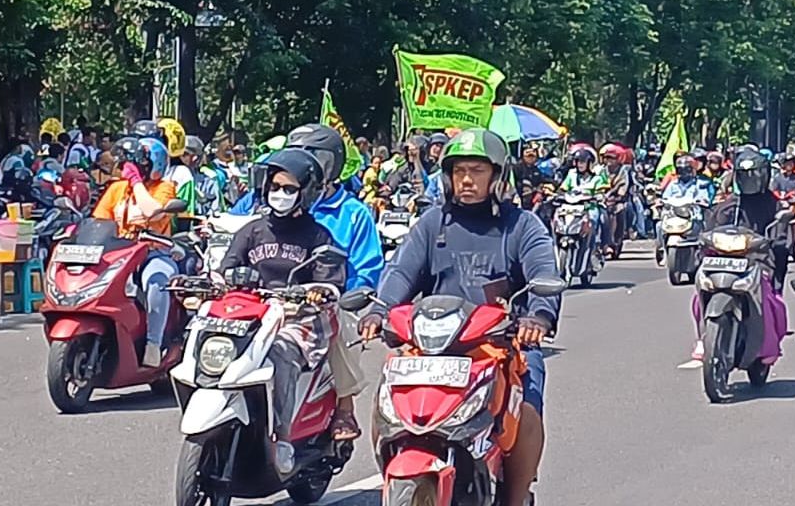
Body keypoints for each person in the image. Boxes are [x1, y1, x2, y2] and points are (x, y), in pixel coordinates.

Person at [361, 128, 561, 506]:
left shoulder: (523, 226)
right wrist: (379, 309)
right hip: (433, 347)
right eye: (458, 171)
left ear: (498, 176)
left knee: (526, 410)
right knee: (386, 401)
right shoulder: (432, 224)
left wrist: (538, 316)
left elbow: (541, 272)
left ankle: (515, 497)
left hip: (500, 344)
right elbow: (401, 272)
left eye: (477, 170)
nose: (466, 179)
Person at [217, 148, 345, 473]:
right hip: (251, 313)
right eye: (275, 186)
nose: (280, 194)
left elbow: (330, 280)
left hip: (297, 318)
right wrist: (225, 277)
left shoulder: (318, 236)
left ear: (305, 193)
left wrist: (316, 291)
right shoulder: (252, 230)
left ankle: (283, 437)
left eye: (289, 189)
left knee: (279, 354)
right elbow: (226, 266)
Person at [286, 123, 383, 441]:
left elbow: (367, 269)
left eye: (311, 156)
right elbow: (238, 219)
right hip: (277, 298)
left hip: (329, 302)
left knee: (335, 318)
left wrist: (344, 295)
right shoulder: (277, 201)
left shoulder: (353, 213)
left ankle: (345, 407)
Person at [691, 148, 792, 361]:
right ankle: (703, 337)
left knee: (769, 301)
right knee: (698, 294)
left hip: (758, 261)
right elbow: (712, 228)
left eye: (755, 175)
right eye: (745, 176)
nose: (750, 180)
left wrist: (773, 245)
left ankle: (767, 349)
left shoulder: (773, 205)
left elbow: (781, 241)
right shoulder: (728, 204)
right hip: (725, 260)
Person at [92, 136, 180, 365]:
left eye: (134, 164)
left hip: (153, 253)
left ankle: (153, 345)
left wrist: (136, 182)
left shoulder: (164, 188)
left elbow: (153, 212)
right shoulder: (116, 189)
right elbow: (99, 221)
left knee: (156, 282)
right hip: (118, 253)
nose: (126, 169)